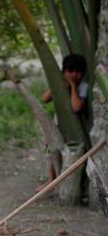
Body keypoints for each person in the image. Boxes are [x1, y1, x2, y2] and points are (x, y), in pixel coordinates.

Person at [37, 53, 88, 191]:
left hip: (77, 128)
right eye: (70, 71)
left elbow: (76, 106)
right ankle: (52, 179)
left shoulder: (83, 87)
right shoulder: (60, 83)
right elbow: (45, 98)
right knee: (53, 151)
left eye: (78, 72)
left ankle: (64, 182)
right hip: (59, 124)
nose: (74, 75)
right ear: (64, 71)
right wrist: (59, 83)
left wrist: (72, 86)